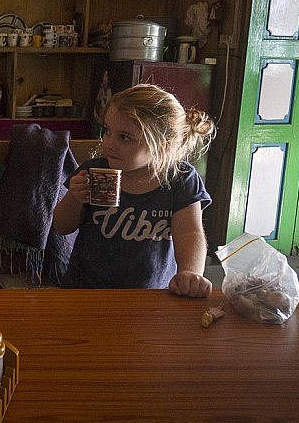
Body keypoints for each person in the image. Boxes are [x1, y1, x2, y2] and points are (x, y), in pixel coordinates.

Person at [52, 83, 217, 297]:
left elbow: (189, 232)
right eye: (107, 131)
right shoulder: (94, 172)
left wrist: (190, 273)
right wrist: (74, 199)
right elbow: (62, 227)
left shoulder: (180, 179)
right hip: (85, 291)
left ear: (163, 145)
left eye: (124, 137)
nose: (108, 143)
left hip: (150, 296)